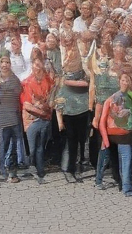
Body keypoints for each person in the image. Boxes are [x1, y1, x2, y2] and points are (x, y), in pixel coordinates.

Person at [97, 72, 132, 196]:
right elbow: (102, 121)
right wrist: (105, 139)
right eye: (123, 80)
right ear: (119, 81)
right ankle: (100, 180)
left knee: (123, 161)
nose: (125, 82)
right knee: (112, 158)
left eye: (127, 80)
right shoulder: (110, 99)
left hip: (125, 134)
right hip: (112, 134)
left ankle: (125, 186)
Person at [56, 50, 90, 182]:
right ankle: (70, 169)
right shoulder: (64, 78)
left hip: (83, 113)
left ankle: (78, 168)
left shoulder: (82, 74)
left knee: (82, 142)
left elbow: (88, 81)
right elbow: (58, 103)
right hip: (69, 115)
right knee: (71, 143)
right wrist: (60, 121)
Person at [20, 56, 54, 184]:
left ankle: (40, 171)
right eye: (35, 67)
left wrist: (42, 107)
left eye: (40, 67)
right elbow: (27, 105)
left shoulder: (48, 82)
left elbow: (50, 102)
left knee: (40, 147)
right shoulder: (27, 83)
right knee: (33, 147)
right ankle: (31, 167)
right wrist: (42, 110)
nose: (38, 69)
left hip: (44, 119)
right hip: (32, 119)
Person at [0, 55, 23, 185]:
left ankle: (12, 172)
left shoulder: (15, 79)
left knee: (13, 147)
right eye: (2, 63)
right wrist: (0, 85)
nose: (5, 65)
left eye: (7, 62)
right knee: (3, 146)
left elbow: (18, 93)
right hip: (2, 118)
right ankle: (4, 171)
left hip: (14, 116)